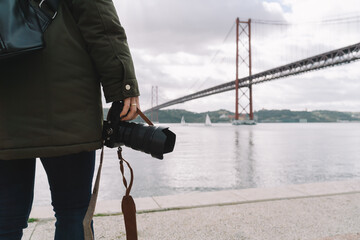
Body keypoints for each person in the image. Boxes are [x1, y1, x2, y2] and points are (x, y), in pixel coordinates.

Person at [0, 0, 140, 239]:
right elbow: (100, 21)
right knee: (73, 211)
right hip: (66, 99)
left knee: (5, 218)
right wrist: (123, 86)